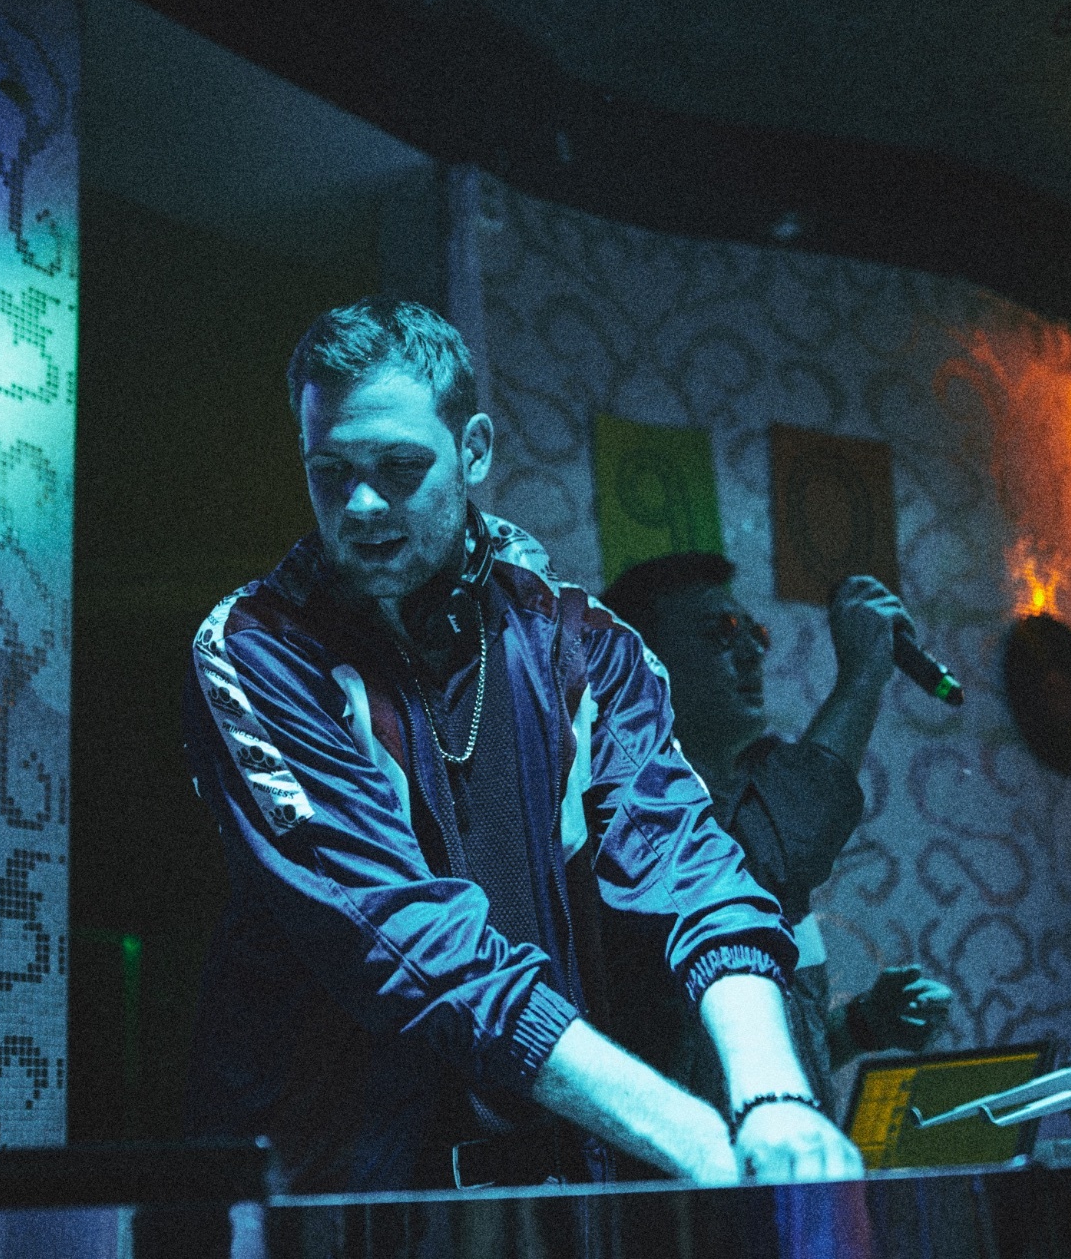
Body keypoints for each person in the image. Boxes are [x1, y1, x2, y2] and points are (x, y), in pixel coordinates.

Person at [180, 298, 864, 1193]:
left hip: (548, 1180)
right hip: (340, 1193)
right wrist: (696, 1140)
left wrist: (777, 1096)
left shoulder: (584, 646)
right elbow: (413, 944)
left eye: (399, 467)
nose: (362, 504)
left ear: (473, 451)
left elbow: (694, 870)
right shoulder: (258, 649)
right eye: (330, 472)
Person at [600, 554, 954, 1120]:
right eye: (721, 631)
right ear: (645, 663)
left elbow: (747, 1063)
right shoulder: (639, 817)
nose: (752, 650)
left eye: (755, 632)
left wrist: (862, 1025)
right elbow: (785, 843)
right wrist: (862, 677)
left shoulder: (748, 794)